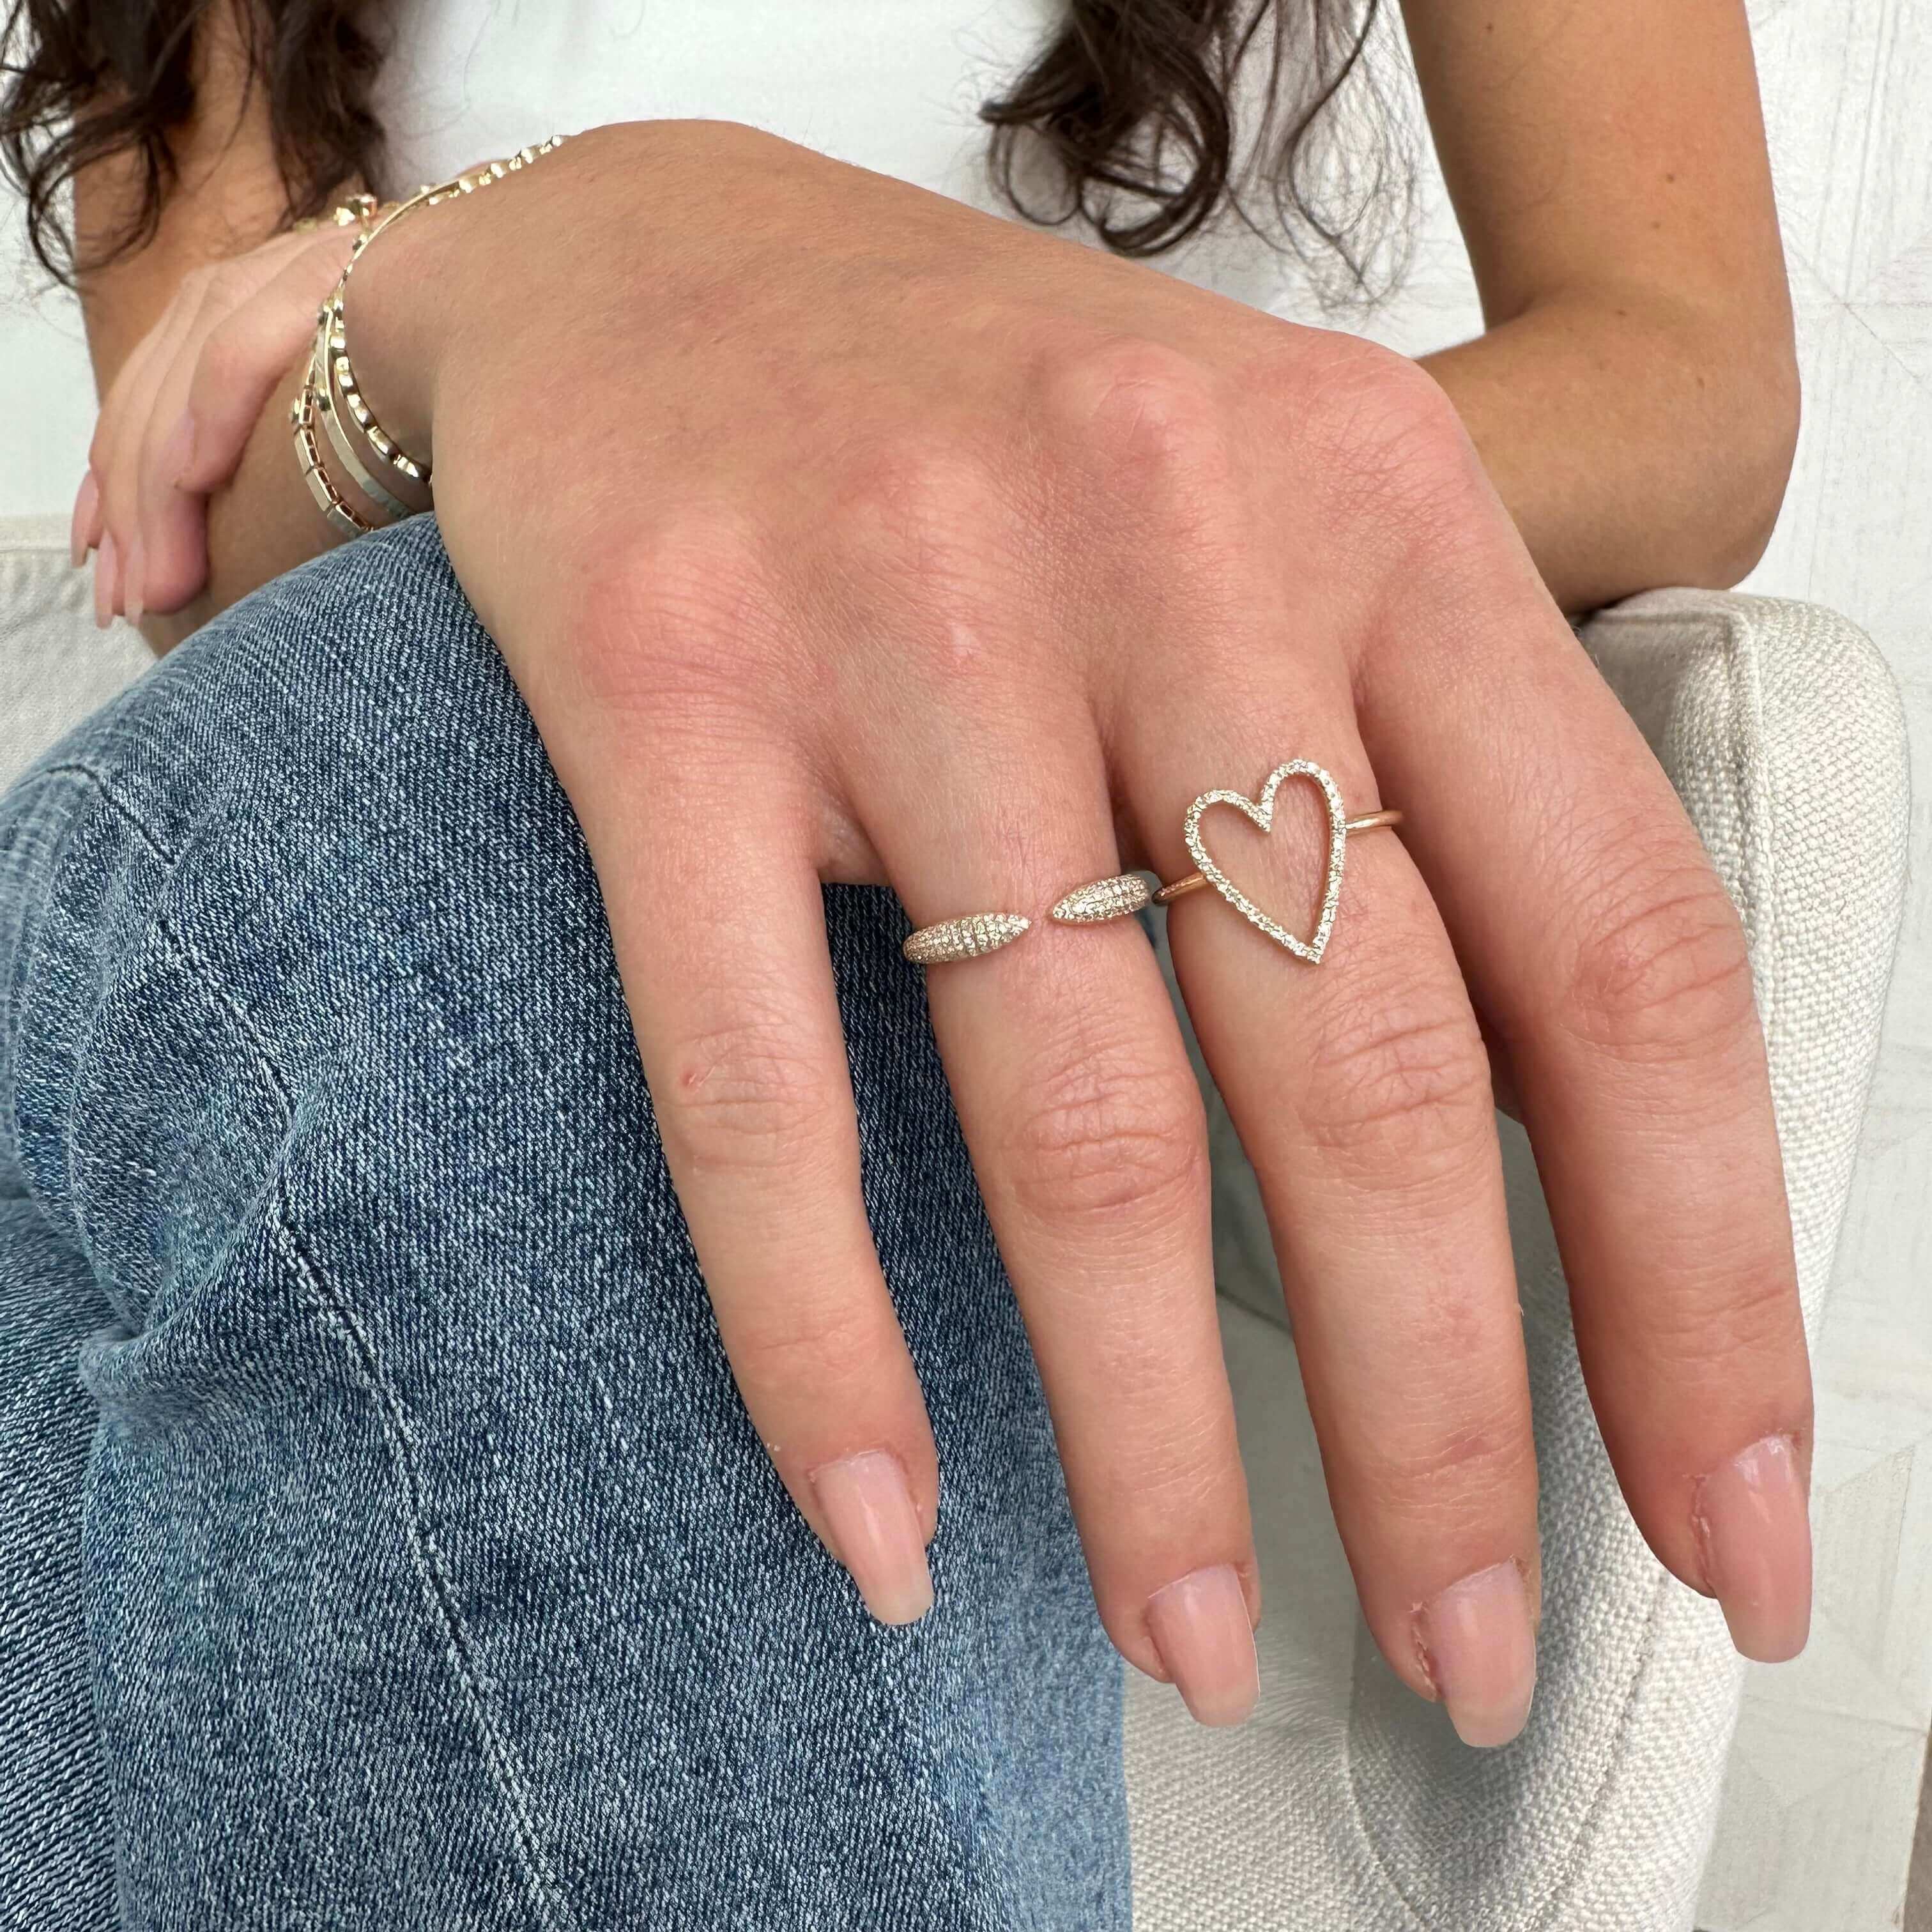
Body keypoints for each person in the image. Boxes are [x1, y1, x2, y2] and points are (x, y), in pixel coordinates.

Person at [0, 0, 1811, 1924]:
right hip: (283, 905)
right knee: (432, 739)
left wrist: (1016, 516)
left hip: (993, 936)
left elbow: (1683, 369)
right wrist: (557, 252)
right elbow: (187, 513)